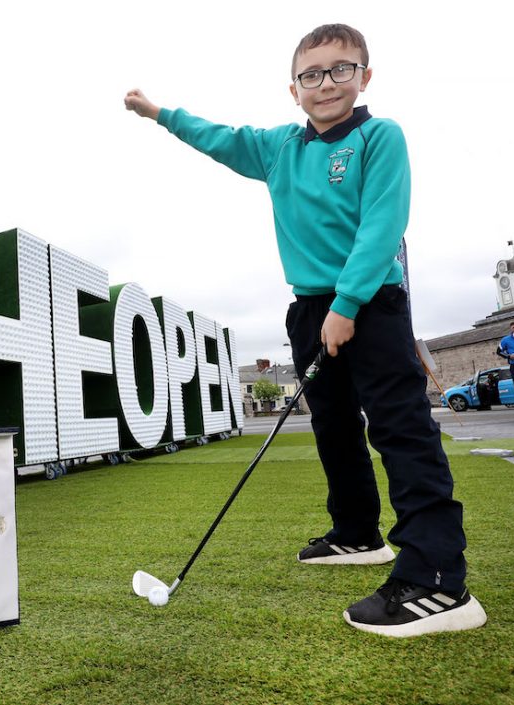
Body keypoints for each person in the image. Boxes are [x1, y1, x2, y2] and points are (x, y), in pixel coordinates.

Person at [124, 23, 486, 637]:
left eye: (341, 70)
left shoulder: (379, 136)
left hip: (370, 300)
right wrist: (160, 112)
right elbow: (219, 138)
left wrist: (347, 305)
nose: (326, 84)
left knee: (400, 427)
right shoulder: (278, 148)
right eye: (312, 75)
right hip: (309, 307)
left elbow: (382, 224)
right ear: (293, 89)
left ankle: (438, 580)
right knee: (334, 426)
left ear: (363, 77)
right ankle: (356, 533)